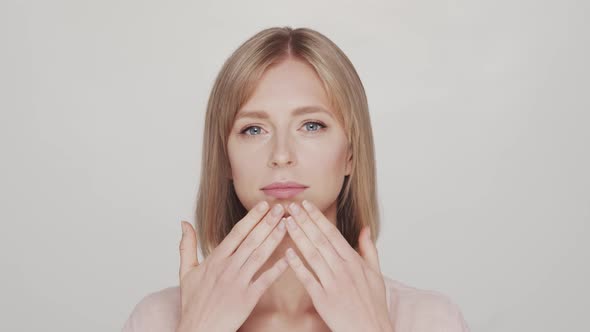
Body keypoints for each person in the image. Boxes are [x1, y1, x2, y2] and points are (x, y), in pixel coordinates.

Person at [122, 26, 470, 332]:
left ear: (350, 153)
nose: (281, 154)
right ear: (226, 159)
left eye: (312, 125)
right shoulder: (156, 319)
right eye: (253, 129)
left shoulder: (430, 319)